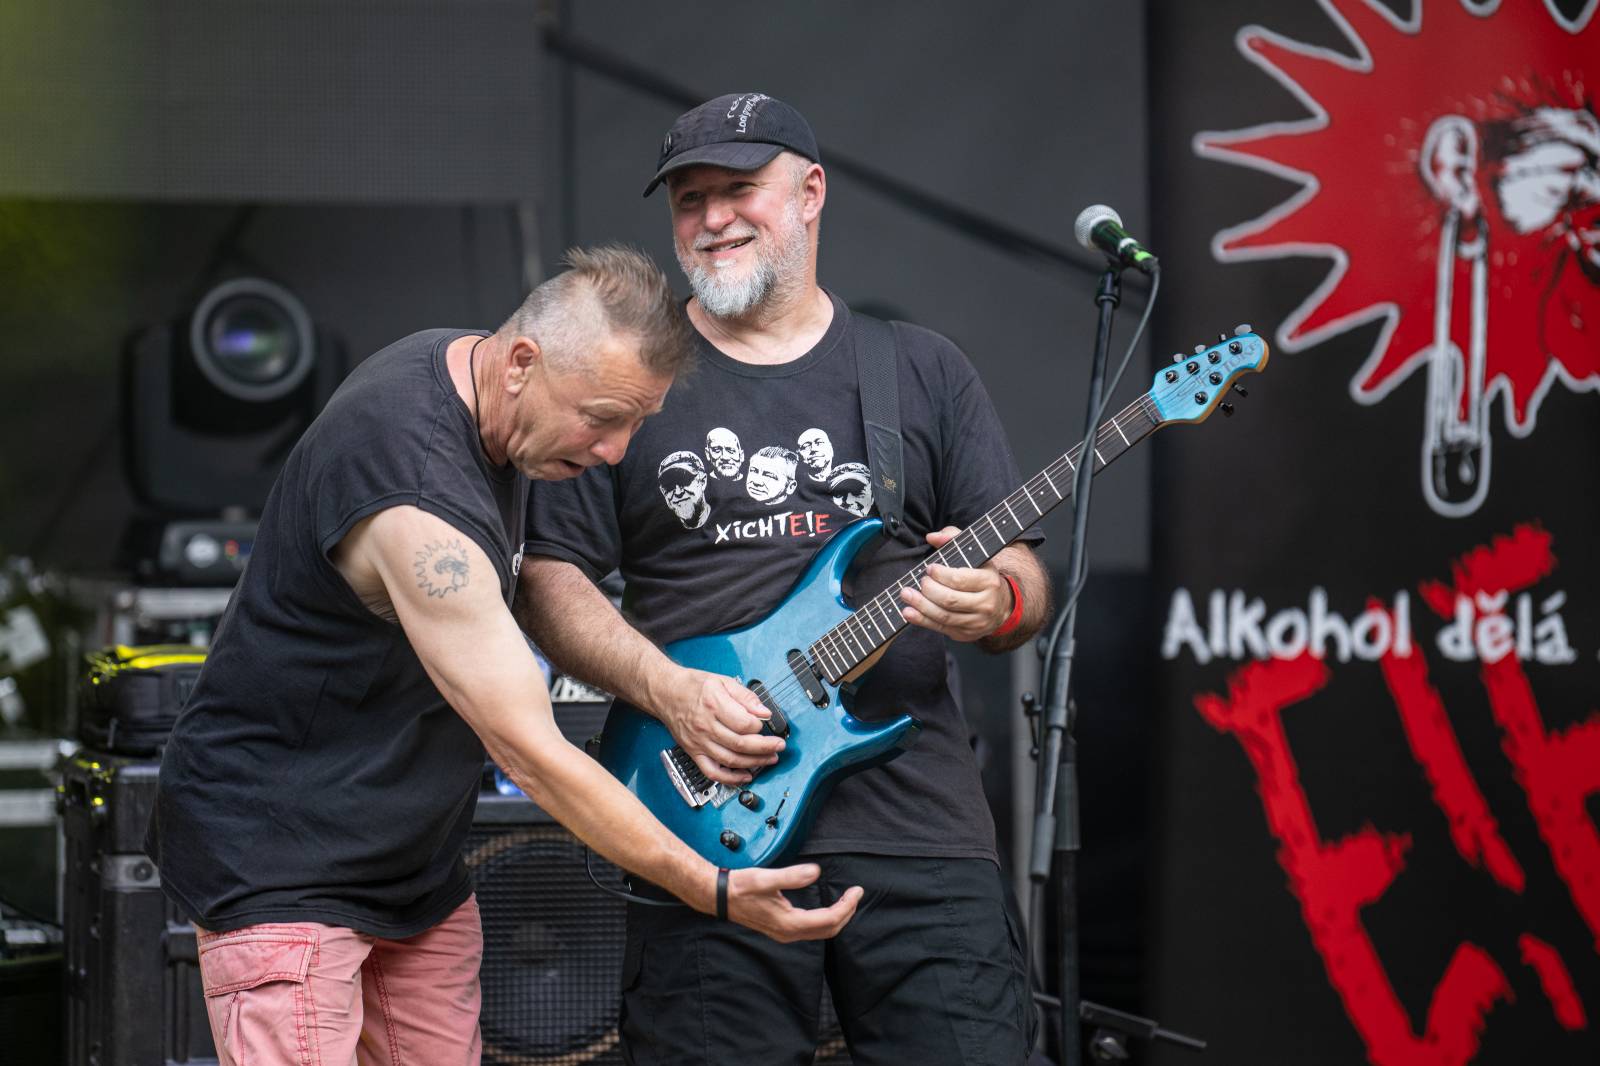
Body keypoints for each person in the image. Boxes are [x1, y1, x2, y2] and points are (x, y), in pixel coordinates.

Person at [146, 245, 861, 1066]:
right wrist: (713, 888)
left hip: (409, 871)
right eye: (601, 416)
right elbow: (530, 749)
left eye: (638, 422)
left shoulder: (470, 372)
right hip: (281, 862)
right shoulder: (414, 495)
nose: (617, 451)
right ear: (522, 361)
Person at [520, 95, 1051, 1064]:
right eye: (690, 200)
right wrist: (665, 691)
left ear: (810, 193)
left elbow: (1014, 562)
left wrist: (1001, 599)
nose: (713, 218)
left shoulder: (918, 369)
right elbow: (549, 576)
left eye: (737, 190)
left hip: (917, 830)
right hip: (702, 820)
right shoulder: (631, 373)